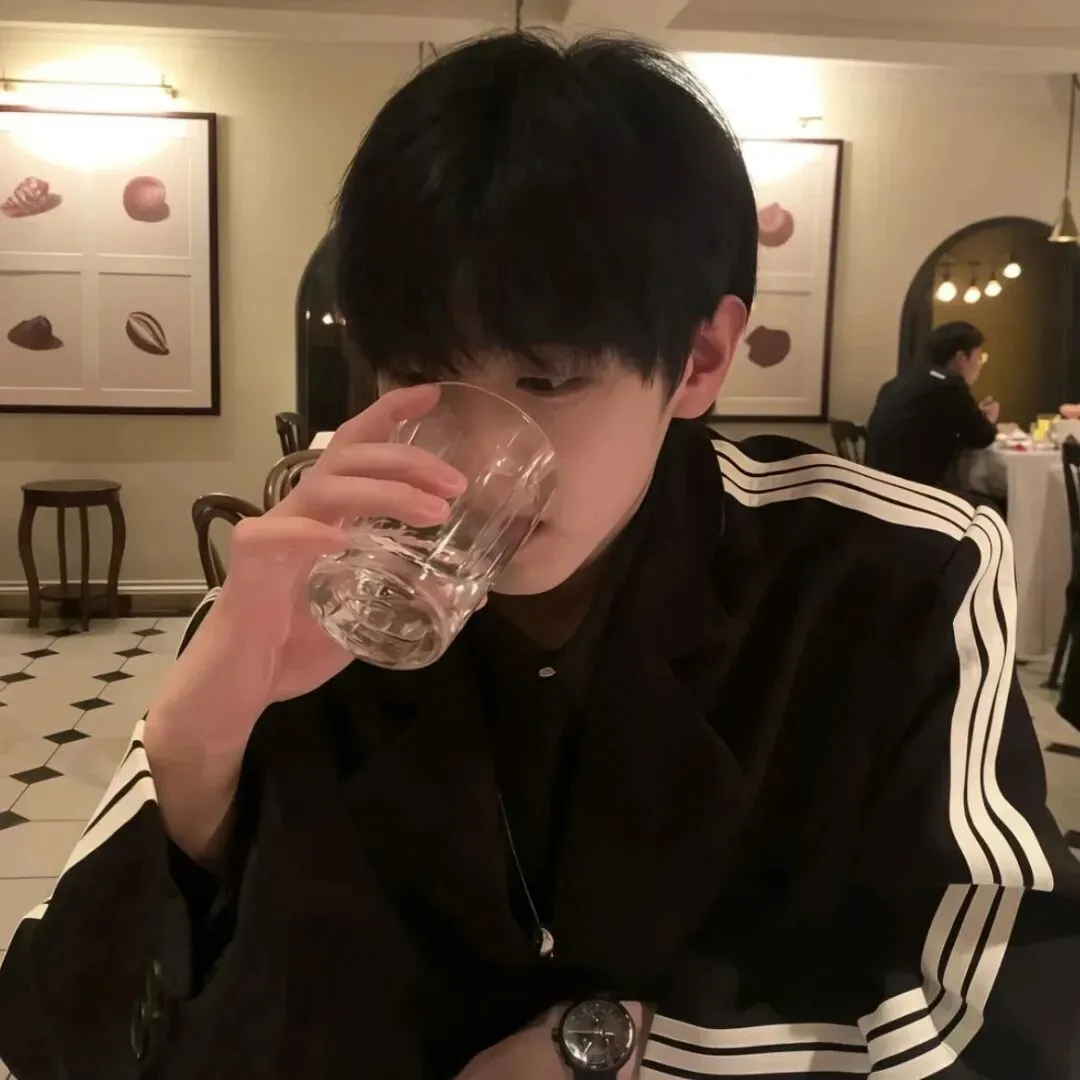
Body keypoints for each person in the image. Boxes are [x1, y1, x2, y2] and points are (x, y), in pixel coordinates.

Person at [2, 32, 1078, 1080]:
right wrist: (194, 748)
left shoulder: (892, 576)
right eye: (419, 373)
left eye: (548, 380)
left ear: (701, 358)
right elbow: (56, 1036)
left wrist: (625, 1049)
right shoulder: (312, 592)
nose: (472, 459)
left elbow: (1018, 1010)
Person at [866, 321, 1000, 487]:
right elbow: (983, 436)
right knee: (988, 500)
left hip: (875, 481)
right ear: (961, 358)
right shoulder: (950, 387)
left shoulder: (900, 381)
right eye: (979, 357)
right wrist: (989, 419)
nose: (980, 365)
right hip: (911, 489)